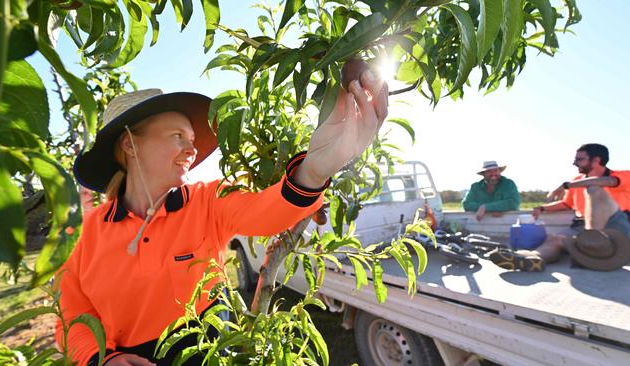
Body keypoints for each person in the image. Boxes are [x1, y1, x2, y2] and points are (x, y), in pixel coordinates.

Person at [55, 70, 388, 366]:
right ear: (130, 144)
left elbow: (268, 210)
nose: (192, 149)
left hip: (209, 352)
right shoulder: (86, 235)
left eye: (191, 139)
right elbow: (72, 317)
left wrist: (314, 170)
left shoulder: (206, 201)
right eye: (177, 137)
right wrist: (100, 357)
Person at [489, 143, 630, 272]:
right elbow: (567, 204)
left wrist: (567, 185)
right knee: (556, 239)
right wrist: (542, 208)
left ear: (596, 160)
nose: (575, 163)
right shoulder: (577, 181)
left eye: (579, 159)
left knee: (593, 188)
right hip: (583, 227)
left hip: (617, 228)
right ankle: (533, 259)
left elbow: (608, 181)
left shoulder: (625, 175)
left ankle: (595, 242)